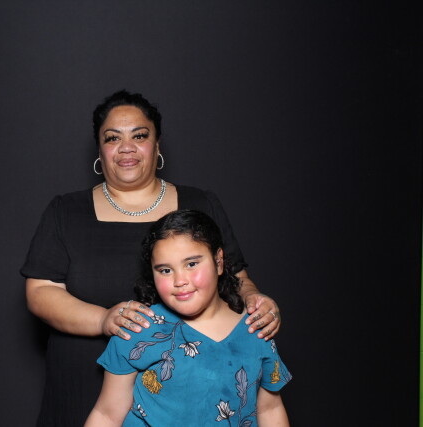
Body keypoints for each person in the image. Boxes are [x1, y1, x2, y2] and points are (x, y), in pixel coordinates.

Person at [21, 90, 281, 426]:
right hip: (83, 383)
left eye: (139, 136)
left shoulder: (200, 204)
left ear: (157, 146)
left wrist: (257, 301)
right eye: (112, 138)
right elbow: (40, 292)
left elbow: (236, 278)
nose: (126, 147)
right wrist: (104, 319)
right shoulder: (66, 211)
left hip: (187, 391)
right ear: (99, 150)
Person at [85, 210, 291, 426]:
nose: (179, 281)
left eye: (191, 264)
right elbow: (107, 414)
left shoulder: (256, 327)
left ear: (219, 262)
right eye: (165, 270)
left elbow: (270, 409)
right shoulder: (138, 327)